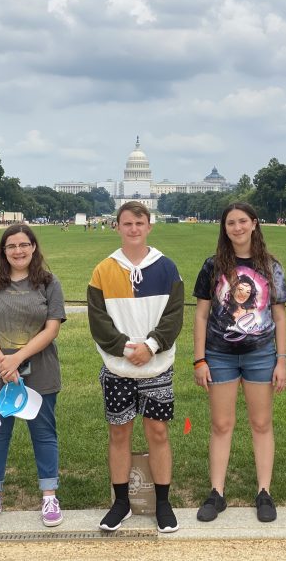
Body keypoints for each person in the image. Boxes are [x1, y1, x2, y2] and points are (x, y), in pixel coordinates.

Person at [87, 201, 184, 533]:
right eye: (126, 224)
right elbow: (99, 322)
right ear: (117, 227)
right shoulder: (103, 270)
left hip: (157, 366)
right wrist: (128, 349)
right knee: (119, 433)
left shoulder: (167, 268)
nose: (133, 229)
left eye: (139, 223)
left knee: (157, 433)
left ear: (149, 226)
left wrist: (152, 346)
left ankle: (162, 503)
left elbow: (174, 317)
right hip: (118, 367)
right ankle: (121, 502)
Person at [192, 202, 286, 524]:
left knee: (261, 424)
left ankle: (265, 491)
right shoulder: (213, 266)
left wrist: (282, 360)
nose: (237, 227)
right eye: (231, 222)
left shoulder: (270, 266)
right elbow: (202, 314)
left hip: (260, 354)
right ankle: (216, 492)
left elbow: (279, 316)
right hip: (219, 354)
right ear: (225, 228)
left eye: (242, 221)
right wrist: (199, 358)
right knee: (221, 425)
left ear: (254, 224)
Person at [0, 224, 66, 527]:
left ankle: (49, 496)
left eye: (24, 244)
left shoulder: (49, 282)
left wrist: (18, 358)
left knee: (43, 433)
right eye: (11, 246)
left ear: (33, 247)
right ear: (3, 250)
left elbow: (52, 327)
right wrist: (2, 362)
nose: (18, 251)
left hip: (40, 369)